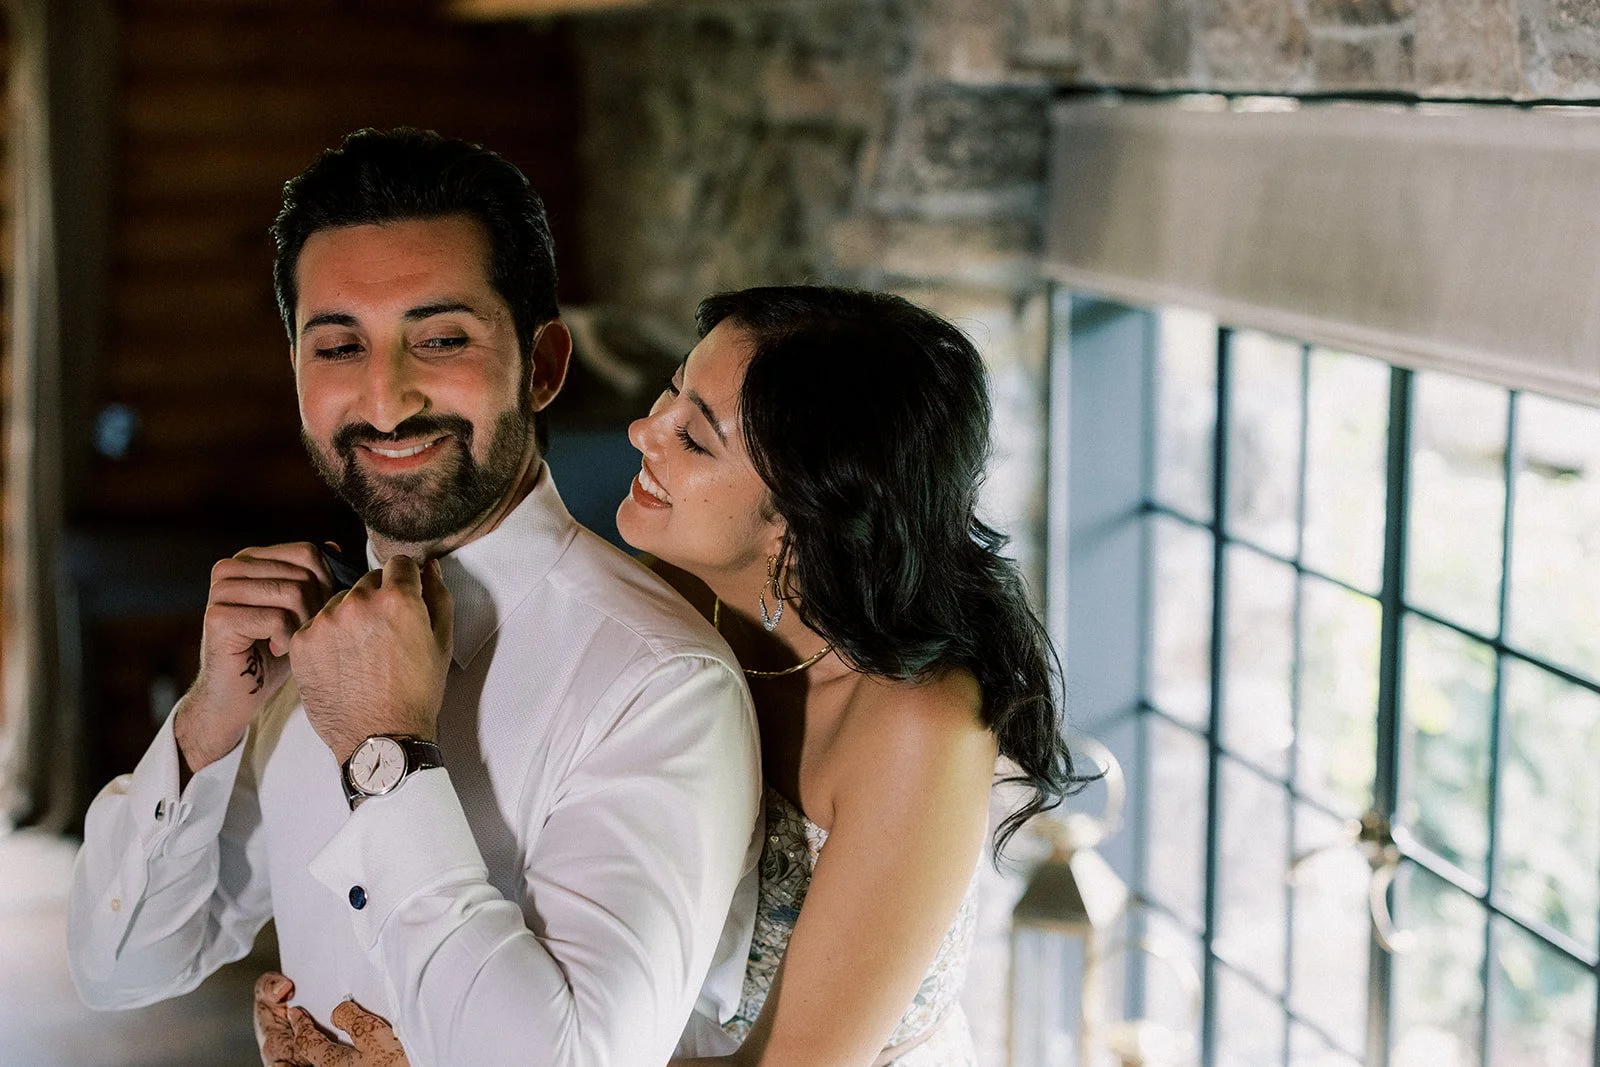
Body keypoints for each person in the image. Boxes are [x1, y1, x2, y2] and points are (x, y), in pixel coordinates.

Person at [67, 128, 762, 1067]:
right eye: (338, 346)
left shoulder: (659, 681)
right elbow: (119, 967)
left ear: (544, 365)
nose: (386, 400)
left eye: (440, 340)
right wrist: (205, 725)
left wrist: (382, 752)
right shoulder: (301, 644)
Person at [269, 284, 1083, 1067]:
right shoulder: (664, 600)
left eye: (693, 438)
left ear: (803, 521)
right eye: (668, 395)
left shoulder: (920, 724)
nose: (641, 431)